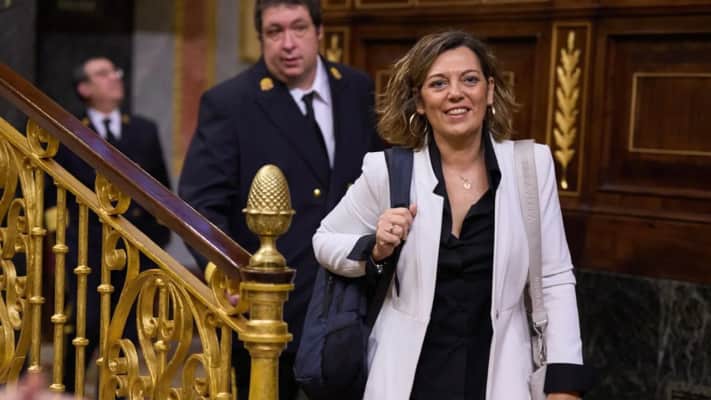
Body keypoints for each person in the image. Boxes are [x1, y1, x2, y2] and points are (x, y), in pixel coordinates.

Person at [312, 31, 594, 399]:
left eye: (470, 80)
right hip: (407, 380)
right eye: (438, 83)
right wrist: (375, 248)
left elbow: (554, 278)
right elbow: (325, 240)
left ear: (489, 91)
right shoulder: (389, 171)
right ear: (419, 101)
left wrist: (564, 383)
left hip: (500, 376)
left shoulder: (531, 166)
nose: (456, 93)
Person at [178, 0, 381, 399]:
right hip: (273, 307)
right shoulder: (230, 102)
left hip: (353, 300)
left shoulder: (357, 88)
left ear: (319, 32)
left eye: (299, 28)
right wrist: (230, 272)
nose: (288, 43)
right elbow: (200, 202)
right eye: (275, 31)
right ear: (261, 38)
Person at [49, 56, 171, 392]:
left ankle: (119, 393)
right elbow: (51, 193)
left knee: (129, 330)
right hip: (86, 249)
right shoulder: (70, 130)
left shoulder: (144, 129)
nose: (115, 77)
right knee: (86, 324)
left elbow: (162, 190)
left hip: (135, 246)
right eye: (103, 74)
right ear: (84, 88)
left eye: (115, 71)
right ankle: (68, 389)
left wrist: (157, 238)